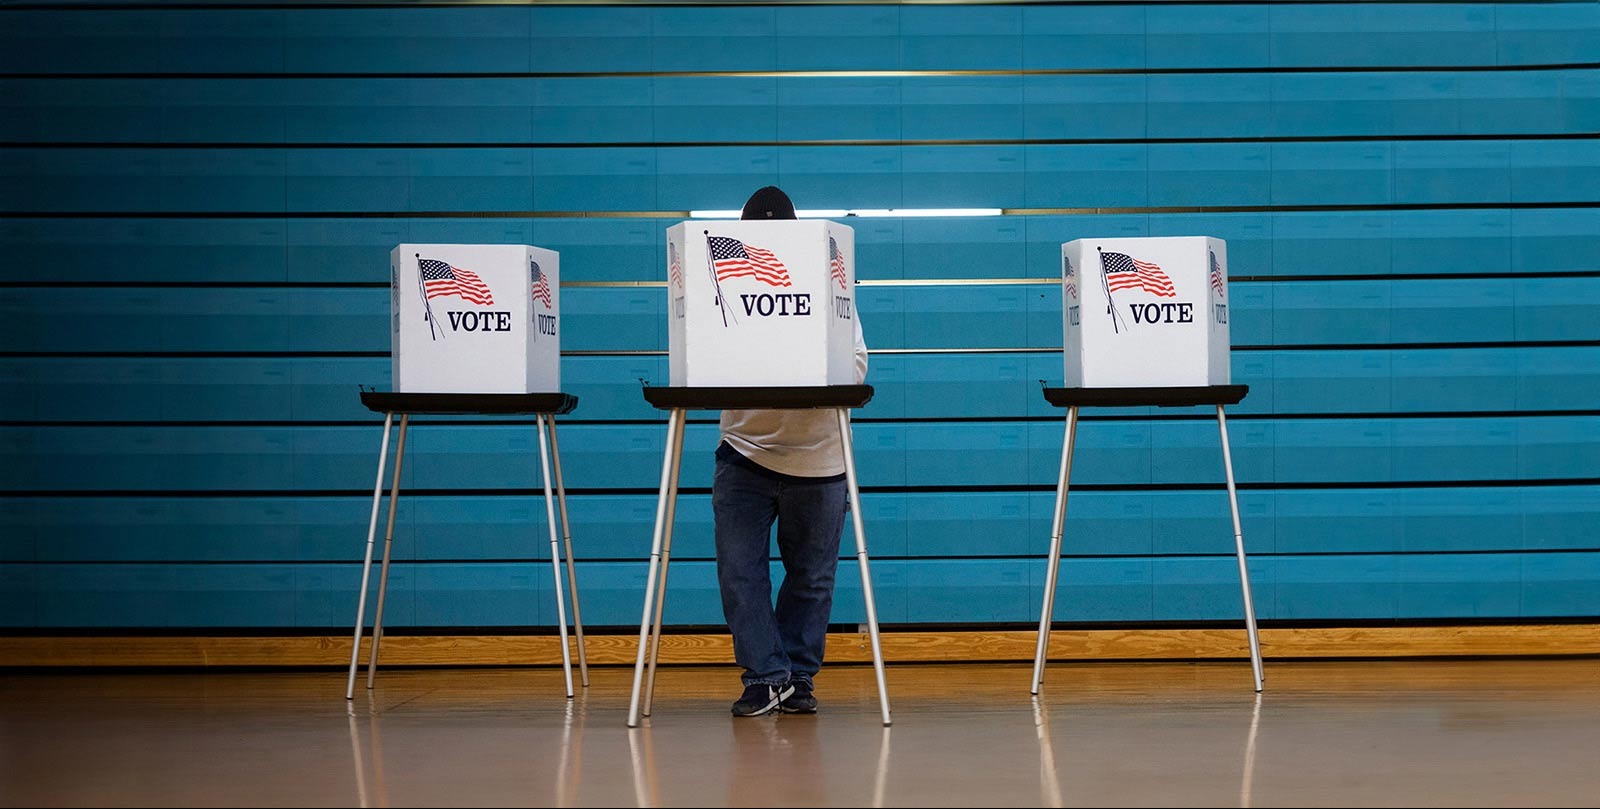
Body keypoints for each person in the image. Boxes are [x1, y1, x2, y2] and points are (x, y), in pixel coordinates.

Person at [715, 185, 869, 717]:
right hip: (743, 450)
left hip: (820, 455)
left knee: (811, 576)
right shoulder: (726, 294)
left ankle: (797, 676)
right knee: (740, 572)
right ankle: (766, 675)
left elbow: (856, 367)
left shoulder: (829, 288)